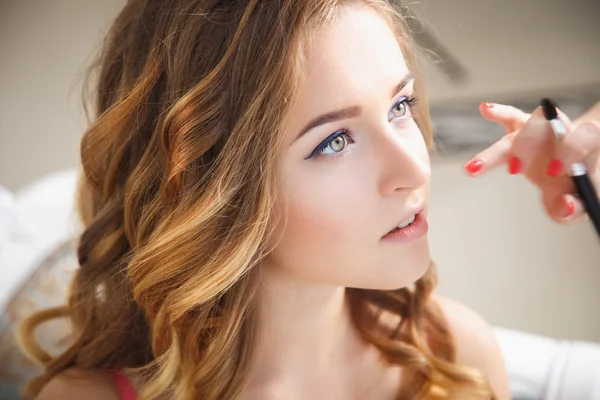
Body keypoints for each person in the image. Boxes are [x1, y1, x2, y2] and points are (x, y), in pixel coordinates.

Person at [18, 0, 600, 399]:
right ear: (213, 191)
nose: (412, 167)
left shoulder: (457, 354)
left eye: (400, 106)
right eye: (335, 141)